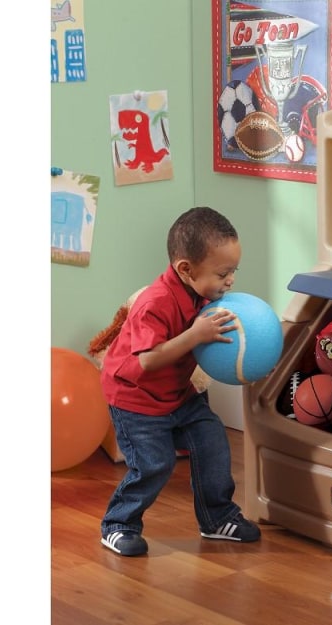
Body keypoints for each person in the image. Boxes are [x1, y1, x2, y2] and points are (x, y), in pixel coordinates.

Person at [99, 206, 261, 557]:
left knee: (213, 443)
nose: (230, 280)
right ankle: (119, 524)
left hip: (178, 395)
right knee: (154, 464)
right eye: (223, 273)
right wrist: (195, 335)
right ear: (186, 269)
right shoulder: (155, 302)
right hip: (135, 400)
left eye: (234, 271)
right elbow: (148, 360)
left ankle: (217, 518)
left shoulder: (204, 295)